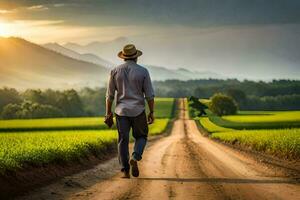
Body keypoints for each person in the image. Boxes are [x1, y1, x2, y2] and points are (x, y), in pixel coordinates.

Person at [105, 44, 155, 178]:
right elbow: (149, 95)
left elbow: (109, 96)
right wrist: (151, 112)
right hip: (138, 110)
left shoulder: (115, 71)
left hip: (121, 112)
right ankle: (135, 156)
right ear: (136, 57)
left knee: (123, 140)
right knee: (141, 136)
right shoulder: (143, 71)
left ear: (123, 58)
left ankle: (125, 171)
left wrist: (108, 113)